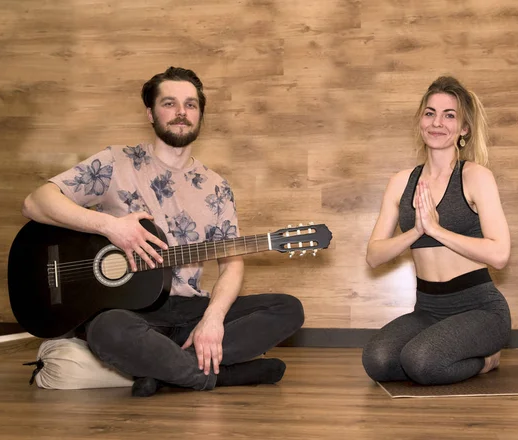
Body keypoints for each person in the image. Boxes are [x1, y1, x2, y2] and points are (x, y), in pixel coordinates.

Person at [21, 67, 305, 397]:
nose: (181, 113)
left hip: (188, 312)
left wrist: (212, 320)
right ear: (150, 113)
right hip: (128, 313)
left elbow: (232, 263)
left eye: (191, 105)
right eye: (169, 103)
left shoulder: (217, 187)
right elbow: (35, 202)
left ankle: (164, 370)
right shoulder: (116, 162)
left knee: (287, 309)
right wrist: (109, 226)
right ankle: (214, 376)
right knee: (107, 329)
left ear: (200, 114)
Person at [362, 76, 511, 385]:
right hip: (428, 308)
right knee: (376, 360)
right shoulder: (401, 182)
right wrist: (416, 231)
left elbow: (499, 255)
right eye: (430, 113)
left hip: (480, 308)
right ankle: (441, 349)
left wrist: (437, 229)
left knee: (421, 362)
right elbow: (374, 256)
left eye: (449, 115)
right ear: (420, 120)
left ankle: (487, 360)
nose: (437, 122)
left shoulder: (475, 177)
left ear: (464, 129)